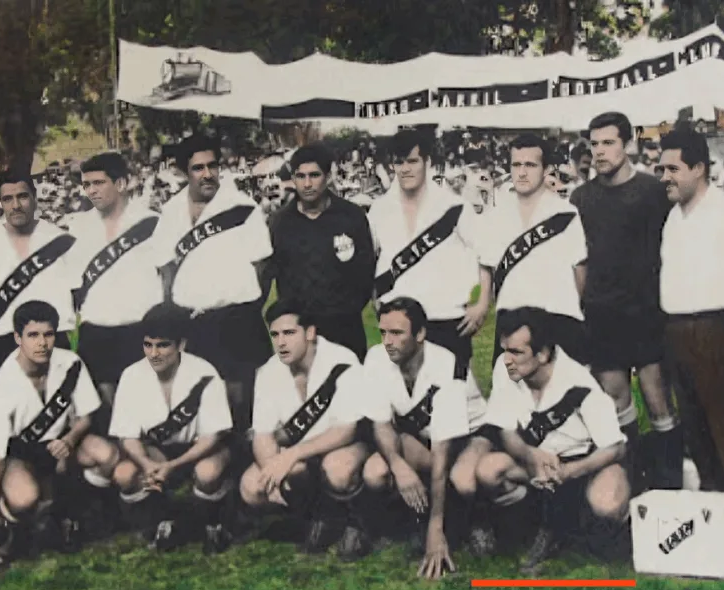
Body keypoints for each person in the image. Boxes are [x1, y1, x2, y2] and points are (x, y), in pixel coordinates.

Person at [657, 128, 724, 559]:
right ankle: (717, 517)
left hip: (719, 327)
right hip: (677, 331)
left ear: (699, 168)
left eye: (673, 169)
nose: (665, 177)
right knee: (696, 428)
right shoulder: (672, 216)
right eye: (661, 169)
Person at [570, 111, 682, 492]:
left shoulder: (653, 191)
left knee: (657, 400)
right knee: (616, 402)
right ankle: (633, 484)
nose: (600, 151)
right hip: (602, 315)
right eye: (594, 144)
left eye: (608, 143)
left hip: (647, 313)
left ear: (628, 143)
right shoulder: (581, 198)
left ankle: (671, 486)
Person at [474, 307, 630, 575]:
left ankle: (580, 524)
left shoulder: (578, 382)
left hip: (583, 463)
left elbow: (615, 447)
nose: (507, 359)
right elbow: (506, 431)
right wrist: (529, 455)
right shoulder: (506, 368)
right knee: (489, 470)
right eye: (505, 350)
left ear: (543, 354)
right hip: (538, 464)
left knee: (607, 503)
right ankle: (535, 525)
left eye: (517, 352)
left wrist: (571, 471)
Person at [0, 302, 118, 576]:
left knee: (107, 454)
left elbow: (85, 416)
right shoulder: (1, 385)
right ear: (18, 338)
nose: (42, 343)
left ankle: (77, 513)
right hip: (18, 455)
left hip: (60, 445)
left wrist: (70, 440)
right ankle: (13, 526)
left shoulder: (70, 363)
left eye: (48, 334)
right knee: (24, 497)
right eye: (33, 335)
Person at [359, 297, 492, 577]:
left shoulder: (447, 366)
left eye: (397, 333)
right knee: (375, 472)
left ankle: (476, 519)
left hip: (469, 437)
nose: (388, 341)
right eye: (383, 332)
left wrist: (435, 529)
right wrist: (399, 467)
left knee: (463, 481)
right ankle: (408, 519)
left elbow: (442, 454)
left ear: (420, 334)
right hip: (422, 436)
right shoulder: (376, 358)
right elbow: (381, 425)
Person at [151, 133, 273, 435]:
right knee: (198, 395)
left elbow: (262, 264)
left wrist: (247, 305)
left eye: (213, 166)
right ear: (184, 172)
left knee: (240, 398)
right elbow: (165, 268)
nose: (207, 174)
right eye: (198, 168)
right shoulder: (171, 211)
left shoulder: (243, 207)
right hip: (192, 320)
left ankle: (242, 455)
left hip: (236, 317)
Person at [239, 300, 372, 559]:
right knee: (252, 487)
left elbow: (346, 430)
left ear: (310, 333)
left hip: (344, 446)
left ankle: (356, 520)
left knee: (338, 470)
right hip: (300, 451)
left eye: (289, 333)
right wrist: (272, 472)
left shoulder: (342, 359)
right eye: (275, 335)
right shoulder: (268, 371)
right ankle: (315, 516)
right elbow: (263, 434)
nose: (281, 343)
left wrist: (290, 455)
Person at [108, 302, 235, 555]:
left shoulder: (204, 372)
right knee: (124, 474)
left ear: (181, 345)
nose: (154, 353)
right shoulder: (131, 375)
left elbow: (212, 436)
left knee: (208, 473)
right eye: (148, 345)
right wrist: (146, 463)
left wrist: (174, 466)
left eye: (163, 345)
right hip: (157, 451)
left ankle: (214, 523)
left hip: (199, 449)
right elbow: (127, 436)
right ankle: (161, 521)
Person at [369, 129, 490, 377]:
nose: (405, 169)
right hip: (399, 322)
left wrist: (483, 303)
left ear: (427, 162)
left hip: (446, 317)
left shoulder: (454, 206)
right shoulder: (379, 210)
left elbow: (486, 253)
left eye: (412, 161)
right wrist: (376, 297)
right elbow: (369, 259)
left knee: (451, 394)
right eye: (399, 162)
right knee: (403, 395)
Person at [68, 152, 162, 434]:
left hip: (140, 329)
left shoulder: (151, 222)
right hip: (96, 329)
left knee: (145, 407)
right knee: (103, 410)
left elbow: (168, 276)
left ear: (120, 183)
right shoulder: (78, 226)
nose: (91, 191)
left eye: (99, 183)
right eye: (87, 184)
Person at [482, 134, 589, 367]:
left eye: (530, 165)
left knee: (562, 386)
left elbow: (579, 270)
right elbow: (487, 266)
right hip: (511, 317)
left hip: (558, 317)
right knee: (509, 386)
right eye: (516, 165)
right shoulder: (497, 214)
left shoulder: (565, 213)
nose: (522, 172)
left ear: (546, 169)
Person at [265, 144, 375, 360]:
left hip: (345, 330)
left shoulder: (352, 217)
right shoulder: (280, 223)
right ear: (293, 178)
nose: (307, 184)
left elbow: (365, 273)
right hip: (300, 333)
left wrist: (345, 310)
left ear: (328, 176)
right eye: (300, 176)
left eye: (314, 175)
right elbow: (272, 275)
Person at [0, 171, 77, 391]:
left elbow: (78, 292)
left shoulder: (60, 241)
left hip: (51, 340)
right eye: (7, 199)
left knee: (52, 408)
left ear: (34, 197)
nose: (16, 205)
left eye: (22, 196)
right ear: (0, 202)